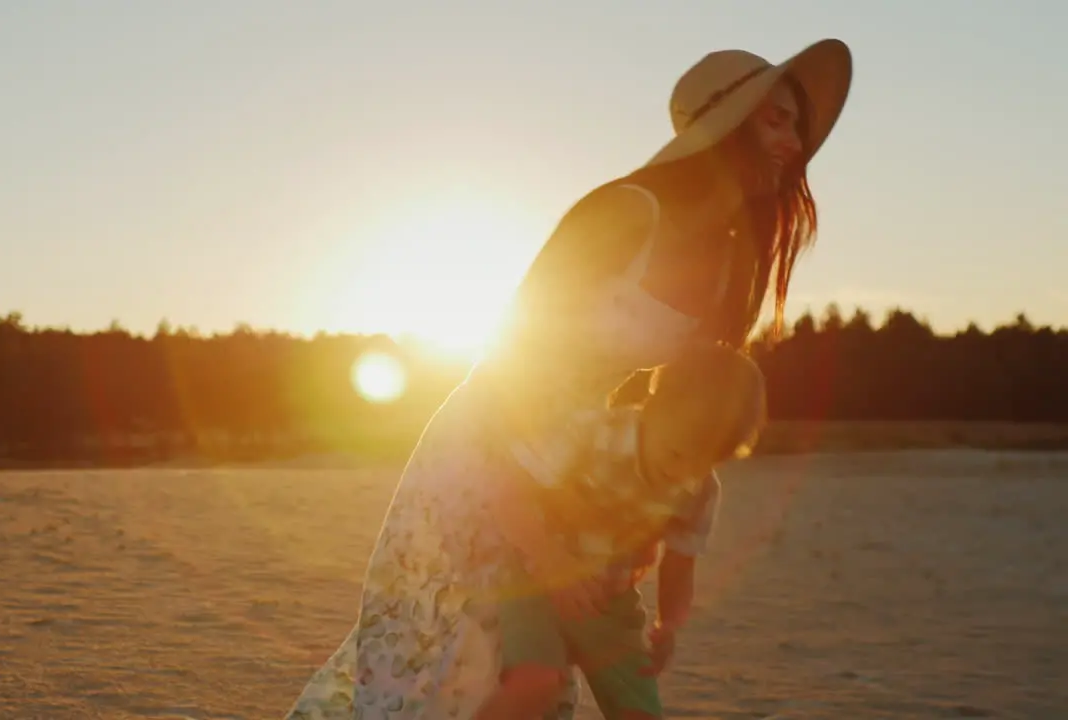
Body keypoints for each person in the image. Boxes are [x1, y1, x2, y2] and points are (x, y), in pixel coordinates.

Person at [284, 38, 853, 720]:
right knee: (431, 661)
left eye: (797, 122)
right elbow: (510, 361)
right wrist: (546, 548)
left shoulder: (730, 263)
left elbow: (675, 412)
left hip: (584, 470)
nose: (794, 143)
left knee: (524, 682)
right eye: (775, 119)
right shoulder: (625, 211)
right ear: (725, 127)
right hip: (488, 450)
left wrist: (631, 523)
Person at [478, 344, 765, 720]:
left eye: (704, 462)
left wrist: (670, 624)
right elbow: (509, 495)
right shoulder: (590, 433)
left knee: (640, 712)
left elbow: (680, 566)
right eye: (678, 452)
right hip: (538, 584)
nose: (684, 473)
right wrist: (551, 562)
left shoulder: (702, 492)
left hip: (610, 604)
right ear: (653, 405)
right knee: (537, 685)